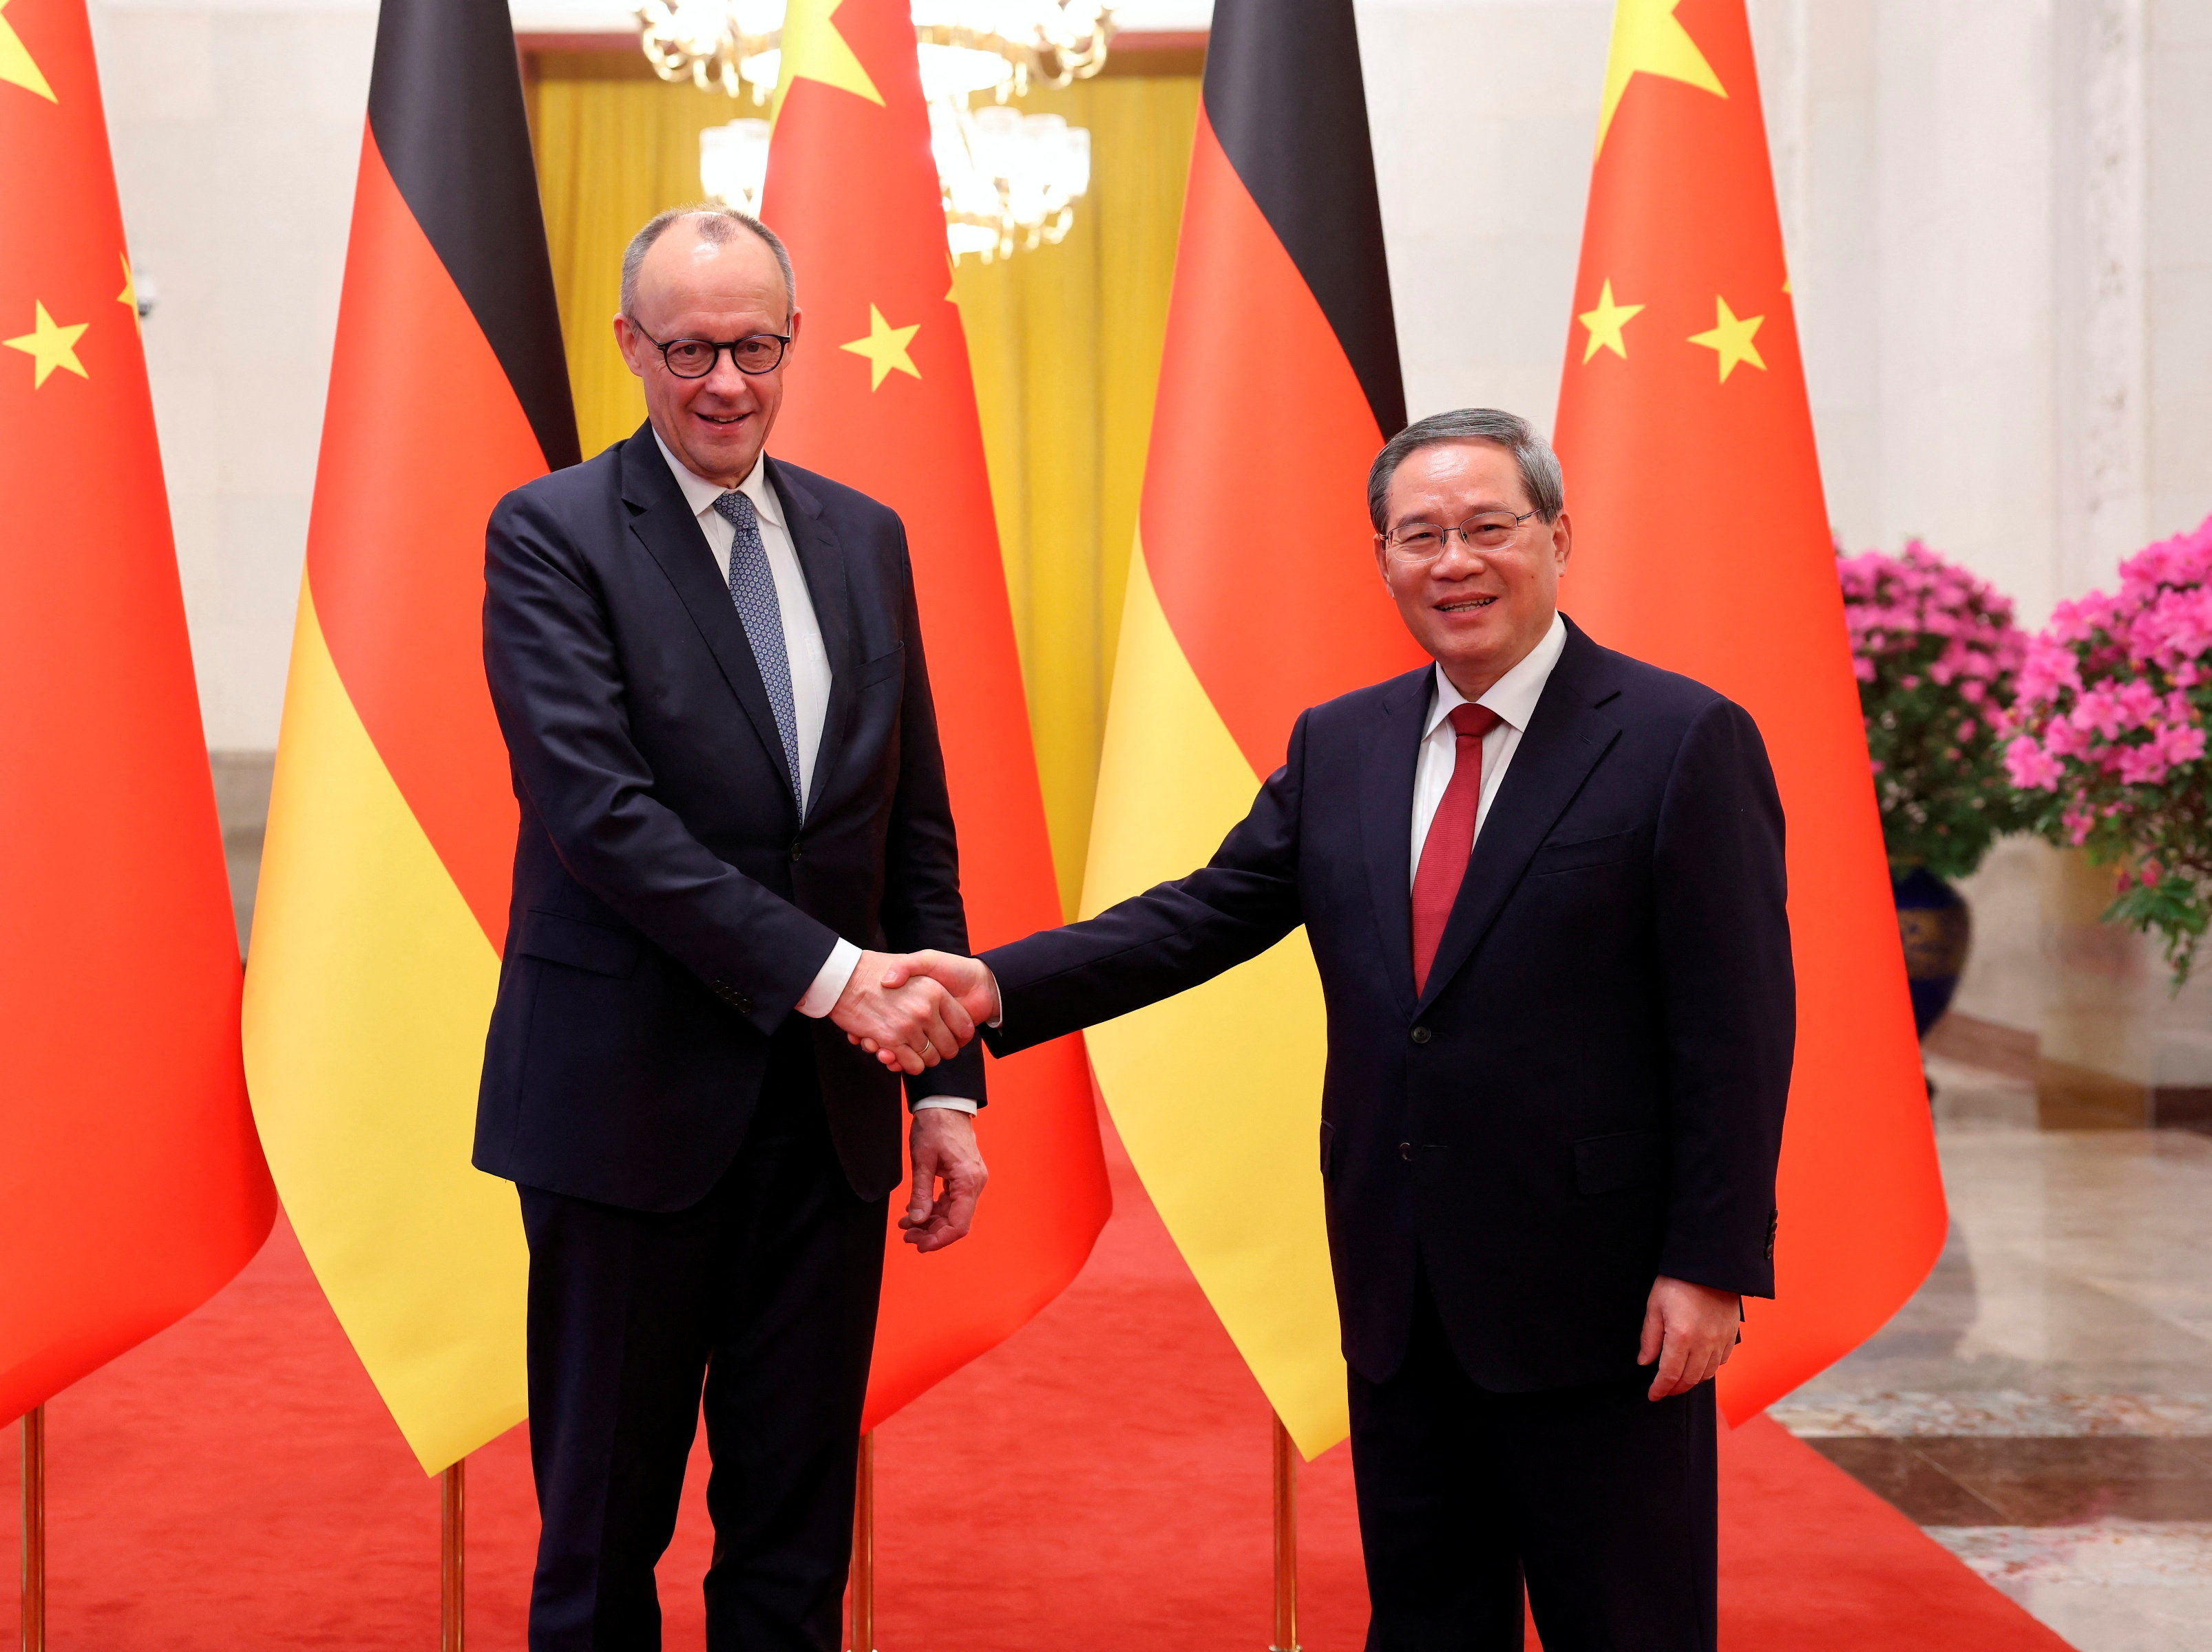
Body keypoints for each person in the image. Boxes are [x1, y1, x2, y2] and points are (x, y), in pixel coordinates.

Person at [889, 408, 1794, 1651]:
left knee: (1624, 1622)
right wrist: (991, 987)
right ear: (1381, 561)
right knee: (1425, 1620)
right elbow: (1203, 915)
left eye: (1487, 528)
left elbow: (1736, 1030)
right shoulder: (1345, 741)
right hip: (1401, 1282)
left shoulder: (1680, 738)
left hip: (1601, 1296)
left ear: (1558, 535)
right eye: (1419, 535)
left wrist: (1709, 1263)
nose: (1453, 563)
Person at [473, 205, 990, 1652]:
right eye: (689, 348)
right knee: (603, 1531)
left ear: (792, 343)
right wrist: (839, 984)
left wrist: (943, 1083)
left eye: (753, 347)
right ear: (630, 347)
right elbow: (599, 817)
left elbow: (911, 825)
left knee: (792, 1524)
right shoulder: (553, 533)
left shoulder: (862, 536)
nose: (723, 383)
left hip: (824, 1125)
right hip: (625, 1111)